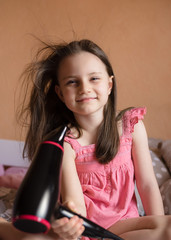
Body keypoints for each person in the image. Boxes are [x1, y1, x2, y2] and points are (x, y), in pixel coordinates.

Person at [0, 39, 171, 240]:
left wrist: (156, 224)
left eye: (94, 79)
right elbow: (76, 203)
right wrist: (72, 225)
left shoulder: (131, 126)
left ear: (109, 84)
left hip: (126, 225)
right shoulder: (65, 143)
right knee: (32, 238)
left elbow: (148, 185)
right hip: (86, 230)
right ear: (60, 93)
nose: (84, 88)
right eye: (72, 82)